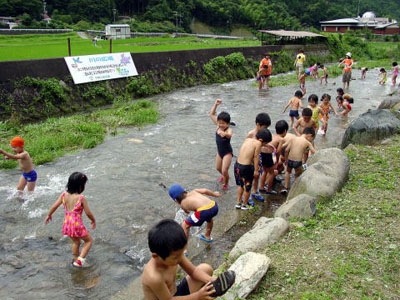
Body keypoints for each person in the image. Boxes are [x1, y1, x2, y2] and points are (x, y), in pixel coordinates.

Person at [45, 172, 96, 268]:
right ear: (81, 186)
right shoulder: (81, 198)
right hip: (77, 225)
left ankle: (75, 258)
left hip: (67, 224)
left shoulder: (64, 195)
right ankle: (80, 261)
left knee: (76, 242)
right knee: (89, 241)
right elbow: (88, 213)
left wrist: (49, 215)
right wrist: (93, 220)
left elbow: (54, 206)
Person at [234, 128, 272, 210]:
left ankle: (238, 202)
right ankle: (244, 205)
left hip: (237, 165)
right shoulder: (258, 143)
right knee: (247, 187)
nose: (264, 145)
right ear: (261, 140)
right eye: (265, 143)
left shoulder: (248, 139)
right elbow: (256, 157)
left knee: (240, 185)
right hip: (246, 168)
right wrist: (256, 170)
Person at [281, 127, 316, 194]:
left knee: (288, 172)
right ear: (310, 135)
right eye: (312, 139)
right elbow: (314, 152)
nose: (311, 140)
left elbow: (286, 150)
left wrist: (286, 160)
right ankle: (295, 188)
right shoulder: (307, 142)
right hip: (298, 162)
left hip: (290, 160)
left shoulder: (293, 138)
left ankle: (285, 187)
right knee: (298, 175)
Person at [246, 112, 271, 203]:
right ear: (258, 124)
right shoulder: (251, 134)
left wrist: (268, 146)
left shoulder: (263, 133)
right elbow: (246, 145)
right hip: (250, 159)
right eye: (265, 127)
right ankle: (246, 195)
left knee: (257, 176)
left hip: (259, 158)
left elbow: (263, 144)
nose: (266, 129)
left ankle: (255, 191)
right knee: (249, 177)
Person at [259, 120, 289, 194]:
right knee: (272, 172)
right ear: (285, 131)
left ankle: (261, 187)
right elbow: (278, 151)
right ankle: (269, 189)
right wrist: (277, 161)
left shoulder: (271, 135)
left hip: (262, 154)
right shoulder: (281, 139)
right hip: (268, 155)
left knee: (265, 171)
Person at [209, 99, 233, 190]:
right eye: (220, 123)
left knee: (224, 170)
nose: (221, 125)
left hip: (227, 153)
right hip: (220, 152)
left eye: (223, 123)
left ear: (228, 124)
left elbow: (230, 134)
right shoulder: (218, 125)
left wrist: (225, 134)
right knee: (218, 168)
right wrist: (215, 104)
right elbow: (211, 114)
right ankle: (225, 176)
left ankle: (226, 183)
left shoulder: (228, 130)